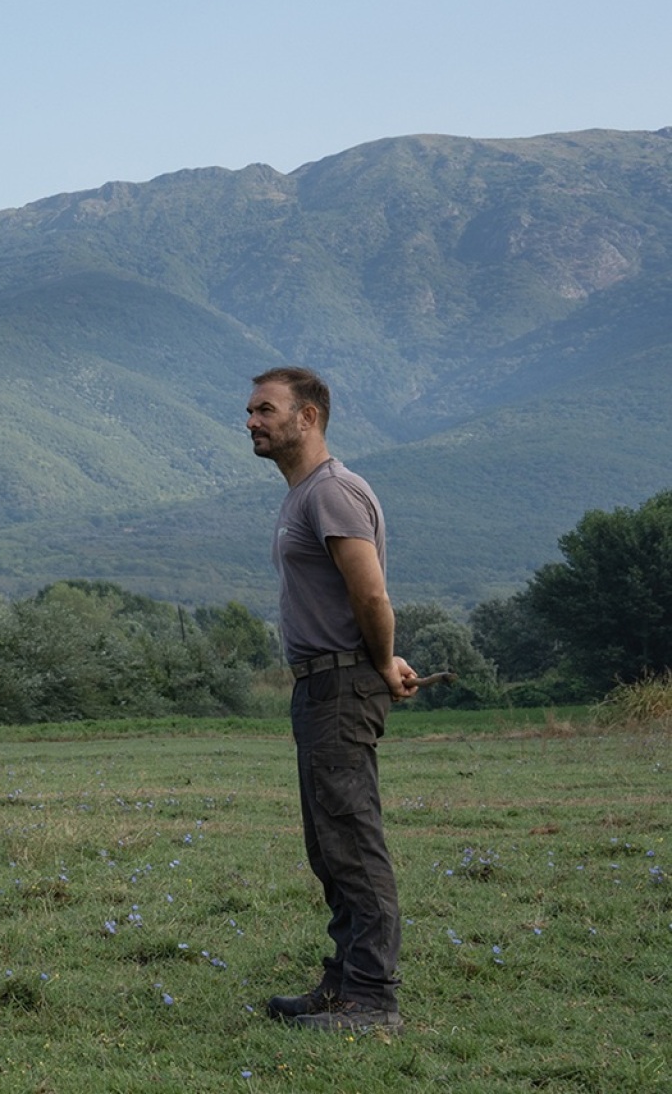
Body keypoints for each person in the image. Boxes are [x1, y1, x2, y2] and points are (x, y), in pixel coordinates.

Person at [246, 366, 419, 1032]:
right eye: (251, 412)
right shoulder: (306, 495)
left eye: (265, 410)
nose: (253, 422)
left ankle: (373, 999)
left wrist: (379, 661)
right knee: (329, 845)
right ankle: (345, 982)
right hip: (324, 682)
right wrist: (382, 660)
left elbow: (371, 594)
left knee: (351, 837)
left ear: (308, 417)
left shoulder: (332, 493)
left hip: (343, 685)